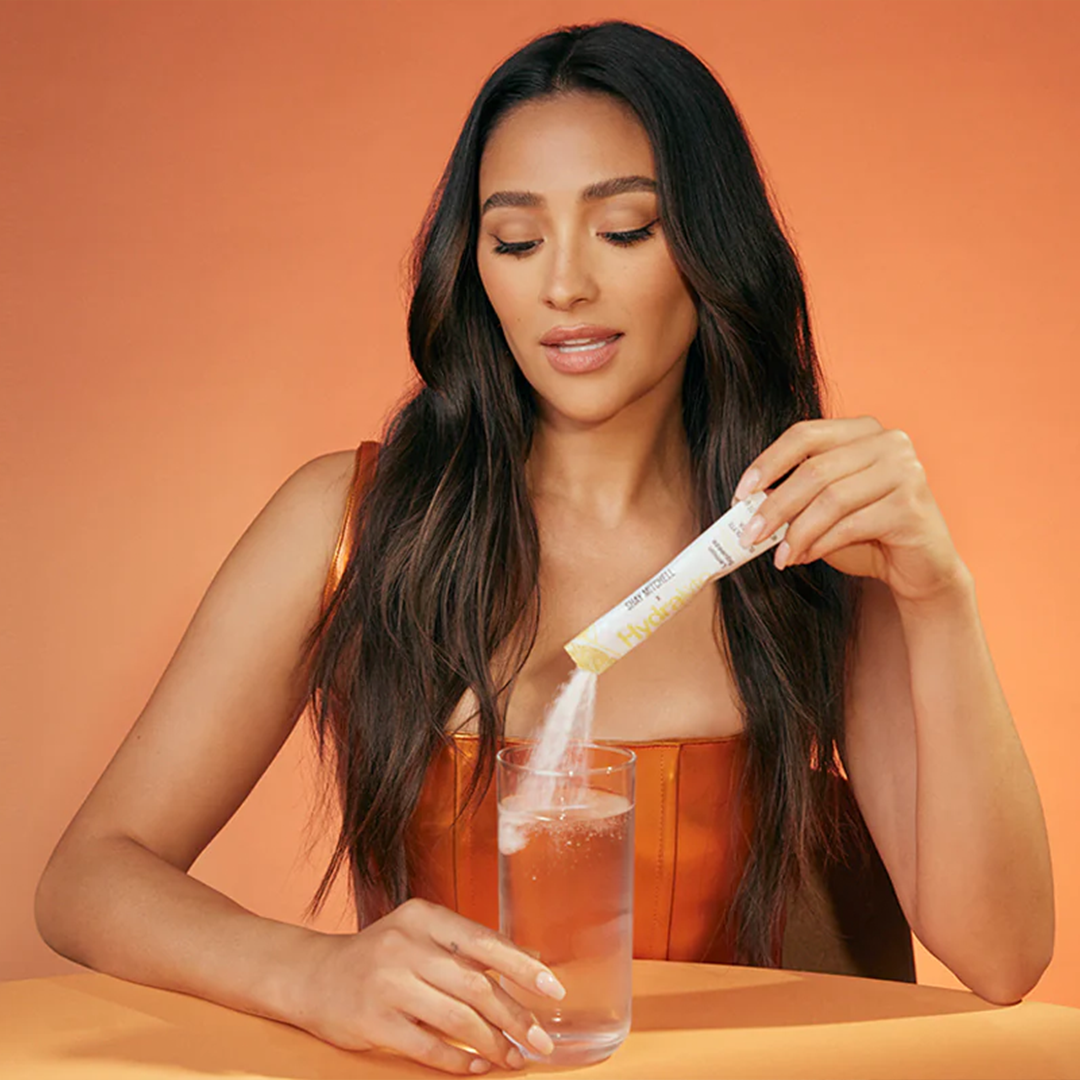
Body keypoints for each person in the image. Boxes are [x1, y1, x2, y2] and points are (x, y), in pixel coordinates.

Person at [35, 19, 1053, 1078]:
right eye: (516, 242)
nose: (563, 287)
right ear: (474, 267)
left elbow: (1003, 956)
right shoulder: (355, 527)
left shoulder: (807, 542)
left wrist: (940, 594)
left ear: (713, 247)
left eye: (623, 231)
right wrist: (311, 975)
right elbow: (89, 878)